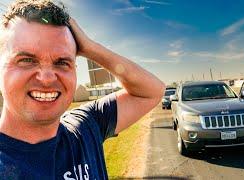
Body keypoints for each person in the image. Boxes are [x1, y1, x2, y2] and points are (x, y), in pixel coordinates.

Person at [0, 0, 165, 179]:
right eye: (27, 60)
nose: (47, 78)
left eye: (62, 62)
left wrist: (90, 47)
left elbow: (152, 91)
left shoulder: (85, 127)